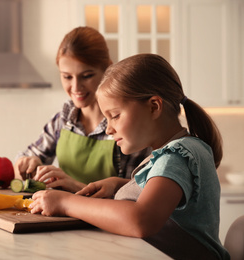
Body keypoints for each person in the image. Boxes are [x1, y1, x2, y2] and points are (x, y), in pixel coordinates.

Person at [29, 54, 230, 259]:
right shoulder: (180, 150)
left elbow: (141, 220)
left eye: (115, 115)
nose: (108, 129)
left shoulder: (175, 156)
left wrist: (65, 203)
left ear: (153, 106)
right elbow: (168, 196)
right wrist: (120, 185)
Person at [15, 27, 150, 193]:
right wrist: (30, 162)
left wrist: (77, 187)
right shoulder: (63, 119)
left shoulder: (126, 123)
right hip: (61, 215)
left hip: (107, 218)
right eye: (67, 77)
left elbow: (137, 193)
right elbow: (24, 160)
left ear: (108, 68)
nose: (76, 87)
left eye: (86, 76)